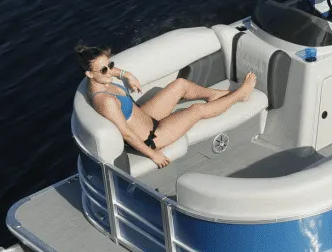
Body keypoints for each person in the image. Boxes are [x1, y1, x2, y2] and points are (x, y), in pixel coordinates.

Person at [78, 44, 256, 169]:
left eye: (110, 65)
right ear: (89, 74)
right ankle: (240, 95)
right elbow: (126, 133)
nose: (109, 71)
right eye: (104, 70)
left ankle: (213, 95)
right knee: (196, 110)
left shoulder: (101, 78)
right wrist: (153, 155)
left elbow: (111, 72)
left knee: (180, 84)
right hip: (152, 137)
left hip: (145, 115)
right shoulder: (105, 101)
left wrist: (127, 75)